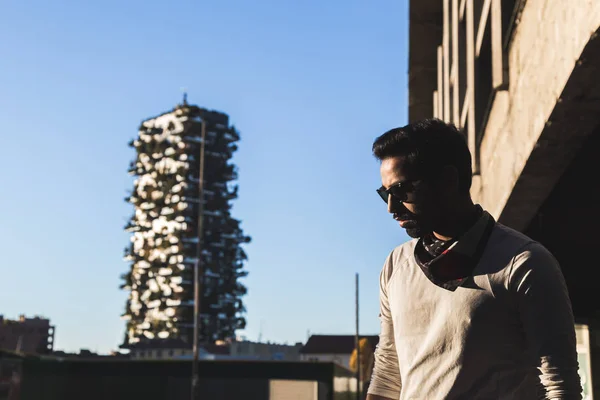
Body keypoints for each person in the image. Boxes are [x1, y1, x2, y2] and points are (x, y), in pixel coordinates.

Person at [366, 119, 582, 400]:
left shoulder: (524, 262)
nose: (392, 207)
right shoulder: (397, 265)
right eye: (385, 194)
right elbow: (387, 372)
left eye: (402, 190)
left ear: (447, 181)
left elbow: (560, 384)